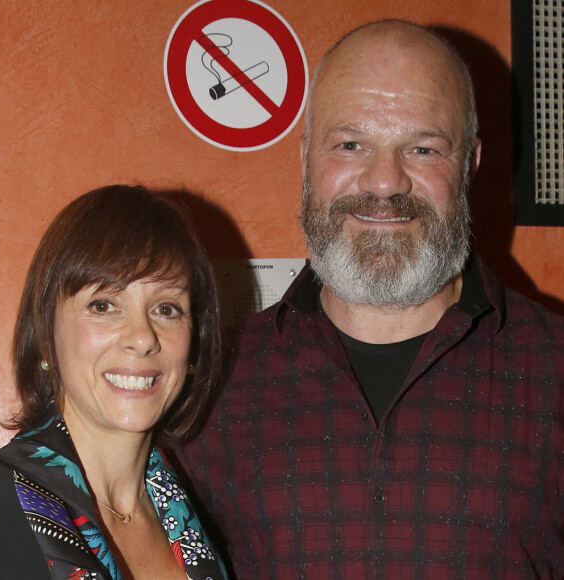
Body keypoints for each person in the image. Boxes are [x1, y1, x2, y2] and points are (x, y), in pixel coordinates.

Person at [175, 19, 564, 578]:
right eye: (351, 144)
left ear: (470, 165)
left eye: (423, 148)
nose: (385, 182)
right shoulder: (210, 382)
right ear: (306, 156)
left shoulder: (555, 372)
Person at [0, 185, 229, 579]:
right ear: (46, 330)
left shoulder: (189, 510)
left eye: (167, 308)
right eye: (103, 305)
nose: (143, 337)